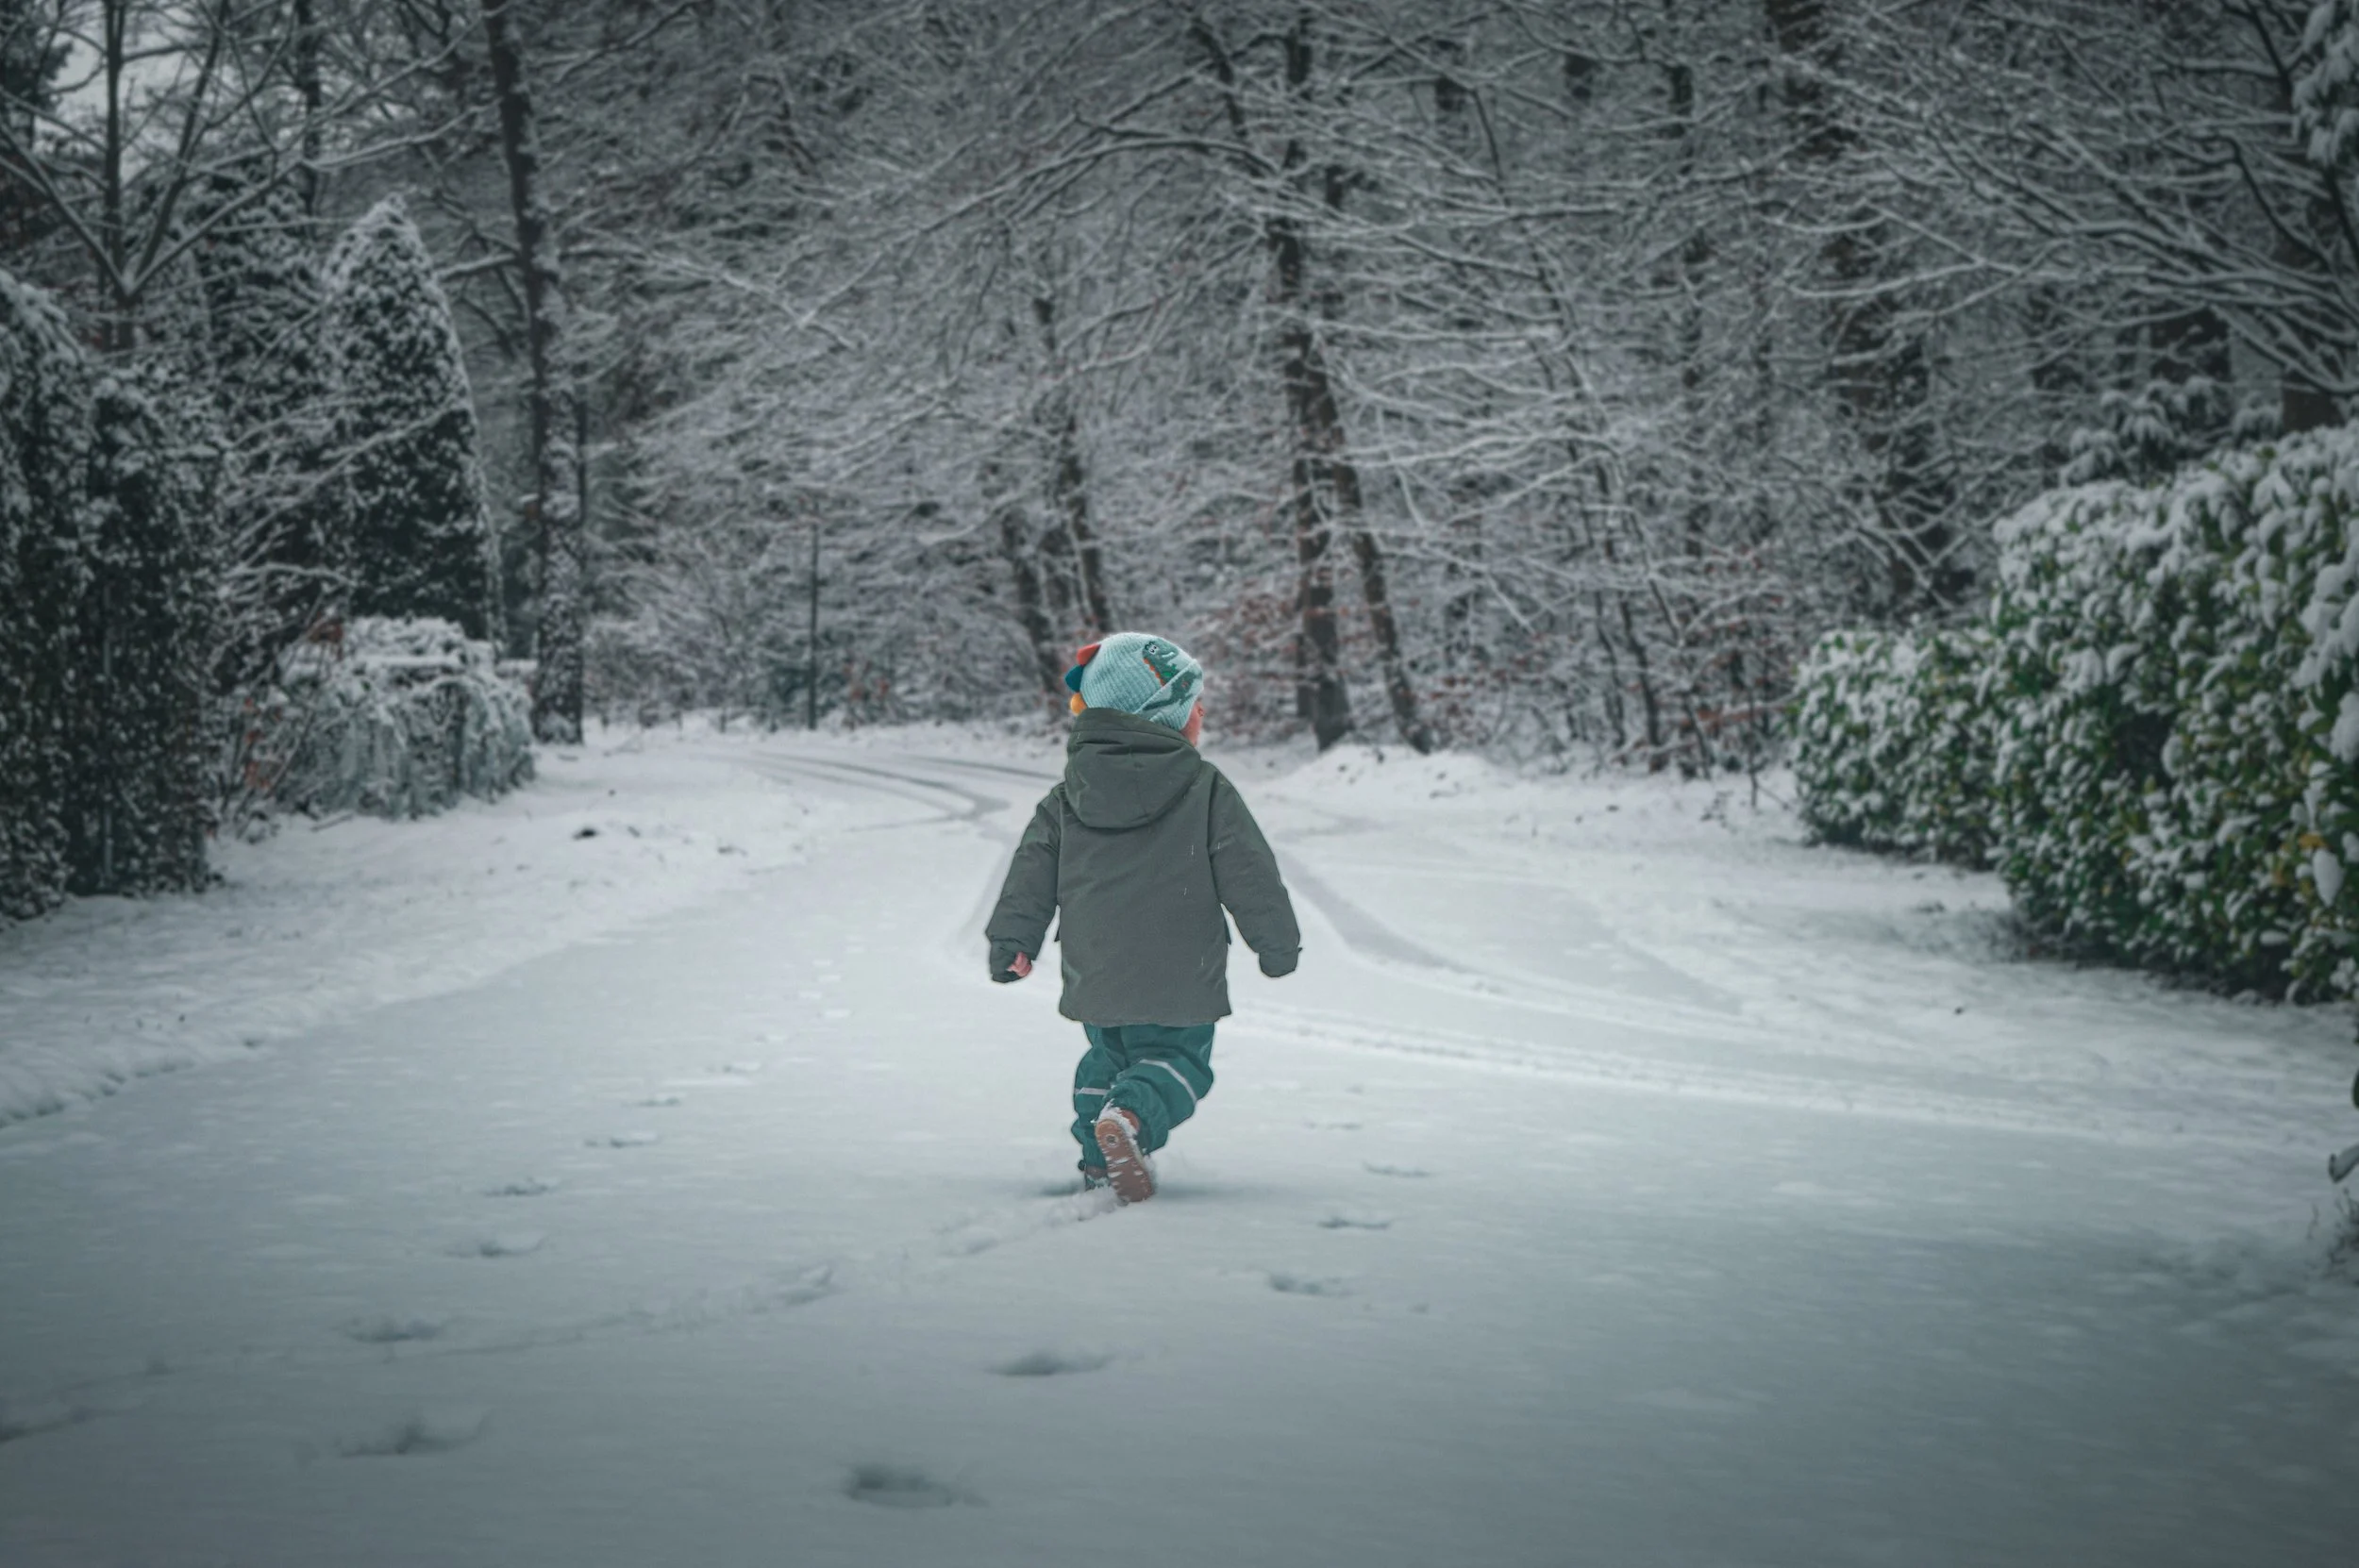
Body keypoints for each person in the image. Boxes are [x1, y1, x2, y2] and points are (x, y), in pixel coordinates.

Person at [986, 632, 1300, 1204]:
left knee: (1108, 1056)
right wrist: (1276, 944)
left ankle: (1099, 1157)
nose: (1202, 711)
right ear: (1165, 716)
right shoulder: (1205, 789)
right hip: (1182, 970)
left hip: (1097, 967)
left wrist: (1012, 939)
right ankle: (1128, 1120)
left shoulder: (1067, 797)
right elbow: (1249, 872)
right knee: (1179, 1060)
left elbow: (1031, 873)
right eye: (1193, 702)